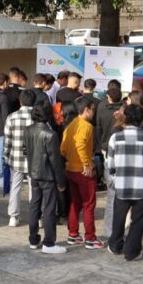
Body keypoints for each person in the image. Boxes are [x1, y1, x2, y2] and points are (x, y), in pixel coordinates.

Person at [106, 104, 143, 261]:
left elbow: (110, 165)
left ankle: (115, 245)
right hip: (142, 186)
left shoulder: (115, 138)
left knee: (119, 217)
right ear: (142, 119)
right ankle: (132, 251)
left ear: (125, 117)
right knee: (138, 220)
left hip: (122, 184)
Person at [24, 101, 69, 254]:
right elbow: (55, 161)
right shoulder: (50, 134)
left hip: (34, 173)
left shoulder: (28, 130)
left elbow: (26, 151)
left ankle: (33, 239)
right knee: (49, 209)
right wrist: (61, 181)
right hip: (47, 176)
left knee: (34, 205)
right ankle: (49, 242)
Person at [61, 99, 102, 249]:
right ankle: (90, 238)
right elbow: (80, 144)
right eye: (92, 109)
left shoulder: (71, 125)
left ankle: (73, 234)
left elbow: (63, 147)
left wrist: (72, 159)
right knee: (89, 204)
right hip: (83, 170)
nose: (93, 112)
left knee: (75, 203)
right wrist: (86, 163)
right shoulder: (86, 126)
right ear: (87, 109)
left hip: (71, 169)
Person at [3, 89, 36, 227]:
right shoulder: (38, 117)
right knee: (34, 188)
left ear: (20, 101)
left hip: (16, 159)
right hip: (34, 160)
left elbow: (7, 141)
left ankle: (13, 217)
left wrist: (5, 157)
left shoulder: (11, 117)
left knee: (15, 187)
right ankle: (36, 217)